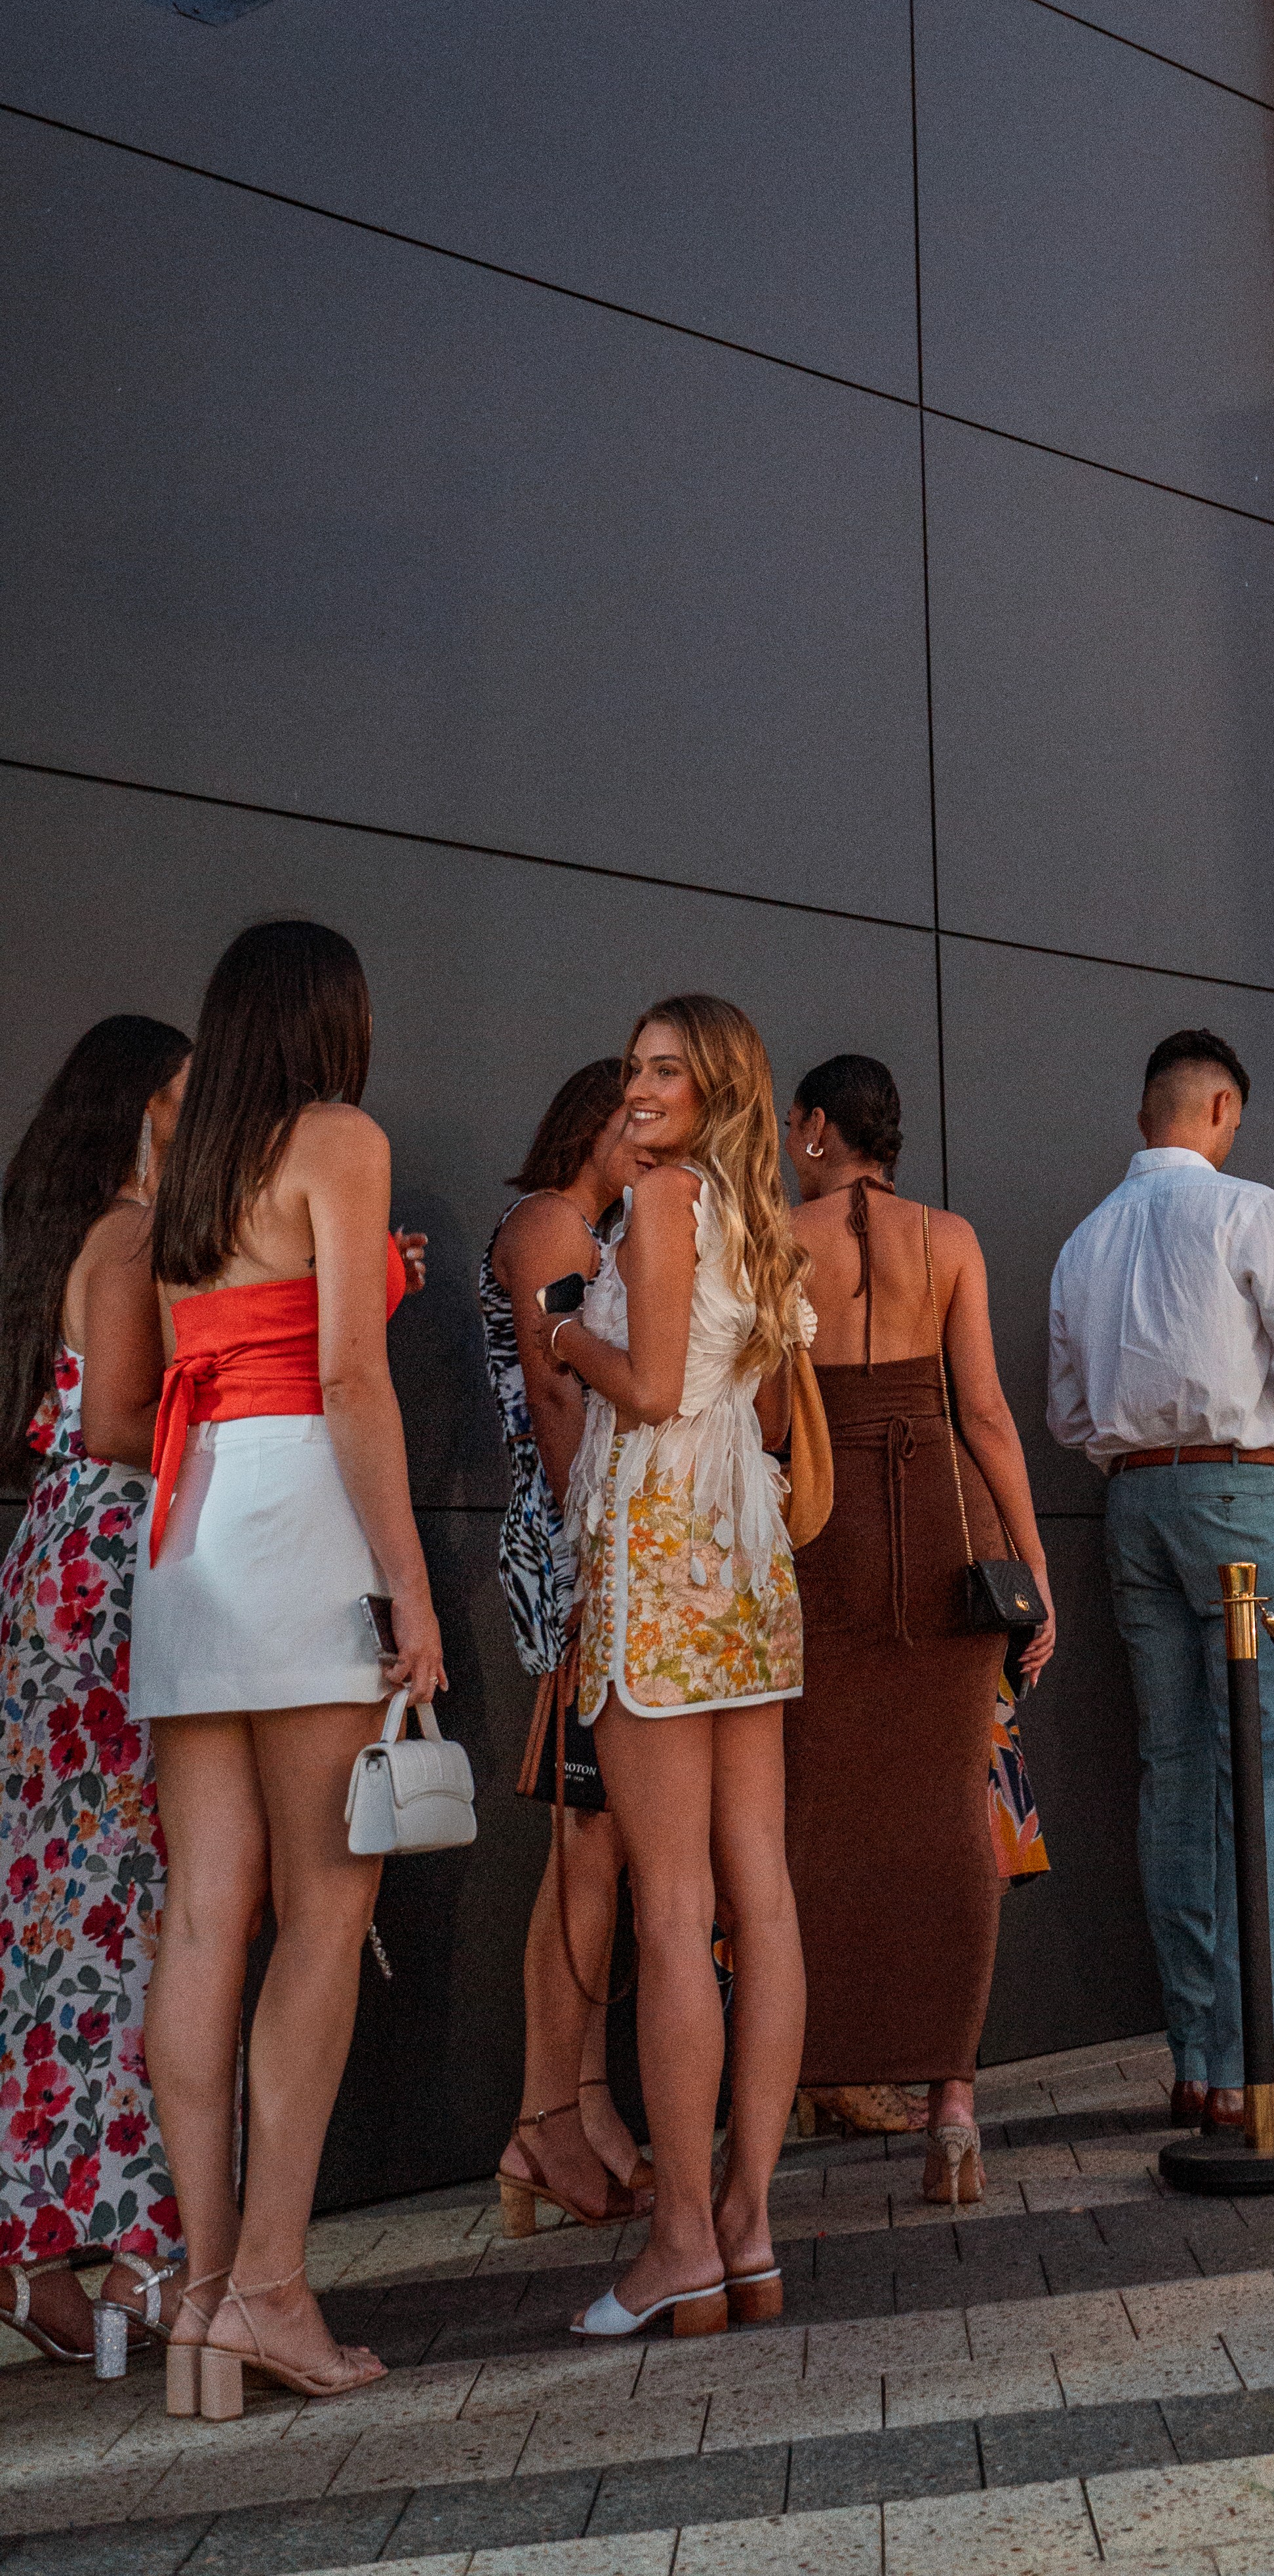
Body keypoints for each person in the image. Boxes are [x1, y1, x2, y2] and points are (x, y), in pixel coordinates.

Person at [131, 920, 445, 2416]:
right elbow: (345, 1377)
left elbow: (198, 1356)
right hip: (299, 1523)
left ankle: (204, 2301)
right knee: (326, 1913)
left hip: (188, 1530)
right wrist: (410, 1585)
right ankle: (271, 2288)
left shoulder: (186, 1158)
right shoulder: (339, 1138)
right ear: (335, 1019)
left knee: (205, 1919)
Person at [551, 996, 808, 2337]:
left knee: (670, 1910)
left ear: (717, 1088)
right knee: (759, 1895)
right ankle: (748, 2230)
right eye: (633, 1066)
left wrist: (563, 1336)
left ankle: (680, 2245)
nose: (638, 1087)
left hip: (657, 1549)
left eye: (666, 1069)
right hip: (744, 1554)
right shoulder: (758, 1212)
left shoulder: (660, 1201)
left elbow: (650, 1390)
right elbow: (754, 1400)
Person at [1046, 1031, 1274, 2133]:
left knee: (1172, 1773)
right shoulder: (1247, 1208)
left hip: (1132, 1500)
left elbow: (1069, 1415)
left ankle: (1196, 2059)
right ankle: (1248, 2069)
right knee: (1256, 1770)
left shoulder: (1086, 1238)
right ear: (1221, 1108)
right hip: (1239, 1489)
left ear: (1148, 1114)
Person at [782, 1050, 1056, 2206]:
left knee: (811, 1815)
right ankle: (954, 2107)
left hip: (820, 1532)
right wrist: (1033, 1566)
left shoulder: (778, 1238)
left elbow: (763, 1413)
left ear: (816, 1128)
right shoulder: (951, 1240)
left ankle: (808, 2071)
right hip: (947, 1527)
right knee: (953, 1814)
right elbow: (983, 1410)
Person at [0, 1014, 192, 2368]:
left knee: (59, 1921)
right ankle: (135, 2250)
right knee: (136, 1914)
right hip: (114, 1568)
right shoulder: (129, 1237)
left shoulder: (74, 1235)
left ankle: (39, 2253)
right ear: (139, 1110)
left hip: (62, 1567)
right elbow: (125, 1420)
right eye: (187, 1096)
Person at [479, 1058, 652, 2238]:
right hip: (570, 1535)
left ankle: (581, 2108)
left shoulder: (595, 1231)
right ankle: (544, 2121)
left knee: (604, 1837)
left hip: (593, 1535)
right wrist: (592, 1551)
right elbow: (555, 1397)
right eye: (638, 1126)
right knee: (585, 1833)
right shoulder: (548, 1221)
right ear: (594, 1125)